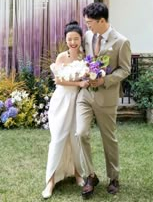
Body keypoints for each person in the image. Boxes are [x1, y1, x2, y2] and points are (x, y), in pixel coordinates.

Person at [76, 2, 131, 198]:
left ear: (102, 21)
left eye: (90, 22)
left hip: (107, 97)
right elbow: (85, 58)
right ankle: (90, 175)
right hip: (85, 95)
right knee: (81, 133)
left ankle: (114, 177)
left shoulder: (121, 42)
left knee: (109, 138)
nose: (87, 26)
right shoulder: (89, 36)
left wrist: (105, 80)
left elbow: (125, 69)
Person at [42, 21, 90, 199]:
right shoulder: (62, 57)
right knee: (58, 138)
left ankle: (78, 173)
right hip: (62, 101)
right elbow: (59, 81)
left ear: (80, 39)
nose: (73, 42)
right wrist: (78, 83)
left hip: (78, 102)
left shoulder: (85, 58)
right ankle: (50, 181)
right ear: (66, 40)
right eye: (69, 39)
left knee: (75, 137)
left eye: (76, 38)